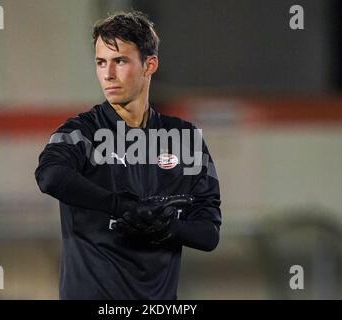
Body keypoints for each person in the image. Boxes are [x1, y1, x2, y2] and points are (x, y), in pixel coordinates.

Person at [35, 10, 222, 300]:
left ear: (150, 65)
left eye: (120, 61)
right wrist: (120, 206)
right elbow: (50, 177)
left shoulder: (185, 140)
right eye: (101, 63)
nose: (108, 74)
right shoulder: (81, 132)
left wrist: (165, 228)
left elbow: (209, 233)